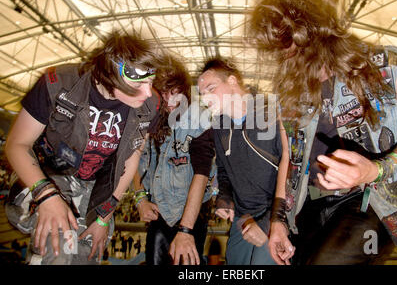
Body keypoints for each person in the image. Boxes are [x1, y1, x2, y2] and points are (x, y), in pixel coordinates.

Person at [248, 0, 397, 264]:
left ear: (314, 28)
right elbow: (290, 159)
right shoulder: (290, 90)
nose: (284, 55)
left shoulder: (388, 67)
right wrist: (279, 221)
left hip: (371, 202)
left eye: (286, 41)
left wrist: (376, 170)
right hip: (312, 203)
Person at [5, 32, 160, 265]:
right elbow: (17, 145)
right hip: (48, 174)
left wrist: (104, 217)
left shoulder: (149, 104)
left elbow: (130, 161)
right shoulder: (59, 84)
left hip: (97, 186)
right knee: (60, 249)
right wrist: (46, 196)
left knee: (85, 255)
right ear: (110, 73)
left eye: (150, 82)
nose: (148, 92)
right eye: (139, 83)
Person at [198, 57, 290, 265]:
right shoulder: (220, 126)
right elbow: (223, 170)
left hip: (278, 217)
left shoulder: (272, 113)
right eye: (202, 94)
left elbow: (294, 171)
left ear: (232, 81)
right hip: (243, 219)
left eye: (211, 88)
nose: (205, 98)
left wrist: (270, 222)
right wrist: (225, 197)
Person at [133, 55, 215, 265]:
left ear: (185, 93)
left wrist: (186, 229)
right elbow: (135, 159)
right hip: (159, 213)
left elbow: (202, 174)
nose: (170, 102)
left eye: (175, 94)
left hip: (190, 214)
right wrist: (140, 198)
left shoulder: (198, 120)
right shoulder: (148, 118)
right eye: (163, 94)